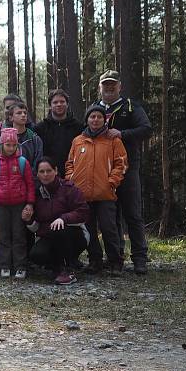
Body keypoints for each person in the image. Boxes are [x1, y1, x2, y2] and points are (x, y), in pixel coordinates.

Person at [94, 69, 153, 274]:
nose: (109, 88)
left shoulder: (130, 106)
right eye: (105, 84)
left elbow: (146, 129)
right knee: (111, 216)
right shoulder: (94, 109)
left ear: (120, 86)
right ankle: (115, 258)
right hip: (103, 171)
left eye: (113, 84)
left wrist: (123, 134)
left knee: (133, 214)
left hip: (128, 169)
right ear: (100, 87)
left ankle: (139, 258)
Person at [65, 104, 128, 276]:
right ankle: (95, 261)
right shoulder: (78, 141)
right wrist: (71, 180)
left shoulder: (113, 140)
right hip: (82, 195)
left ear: (104, 120)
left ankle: (115, 261)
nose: (95, 119)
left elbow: (121, 163)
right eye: (92, 117)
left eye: (99, 117)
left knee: (109, 228)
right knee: (89, 229)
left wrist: (112, 182)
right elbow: (70, 163)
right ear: (87, 120)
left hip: (105, 193)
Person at [25, 158, 90, 285]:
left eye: (48, 171)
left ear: (56, 171)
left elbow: (83, 213)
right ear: (37, 174)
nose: (45, 175)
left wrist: (63, 218)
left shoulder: (69, 188)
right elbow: (36, 228)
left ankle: (68, 270)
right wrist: (29, 220)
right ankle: (56, 266)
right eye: (41, 171)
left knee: (59, 230)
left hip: (75, 234)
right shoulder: (36, 195)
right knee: (36, 254)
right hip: (49, 235)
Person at [0, 128, 36, 279]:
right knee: (4, 235)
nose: (11, 148)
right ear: (2, 145)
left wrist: (30, 203)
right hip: (1, 205)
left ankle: (20, 265)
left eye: (14, 145)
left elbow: (30, 185)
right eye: (8, 145)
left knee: (19, 235)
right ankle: (4, 265)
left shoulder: (22, 162)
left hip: (19, 204)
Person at [35, 89, 82, 176]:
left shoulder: (78, 127)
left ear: (67, 104)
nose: (59, 104)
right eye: (55, 102)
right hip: (48, 176)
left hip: (72, 175)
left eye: (62, 102)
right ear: (50, 105)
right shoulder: (40, 128)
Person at [0, 102, 43, 171]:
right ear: (11, 117)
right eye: (19, 113)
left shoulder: (34, 139)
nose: (23, 115)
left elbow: (38, 162)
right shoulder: (2, 139)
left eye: (25, 113)